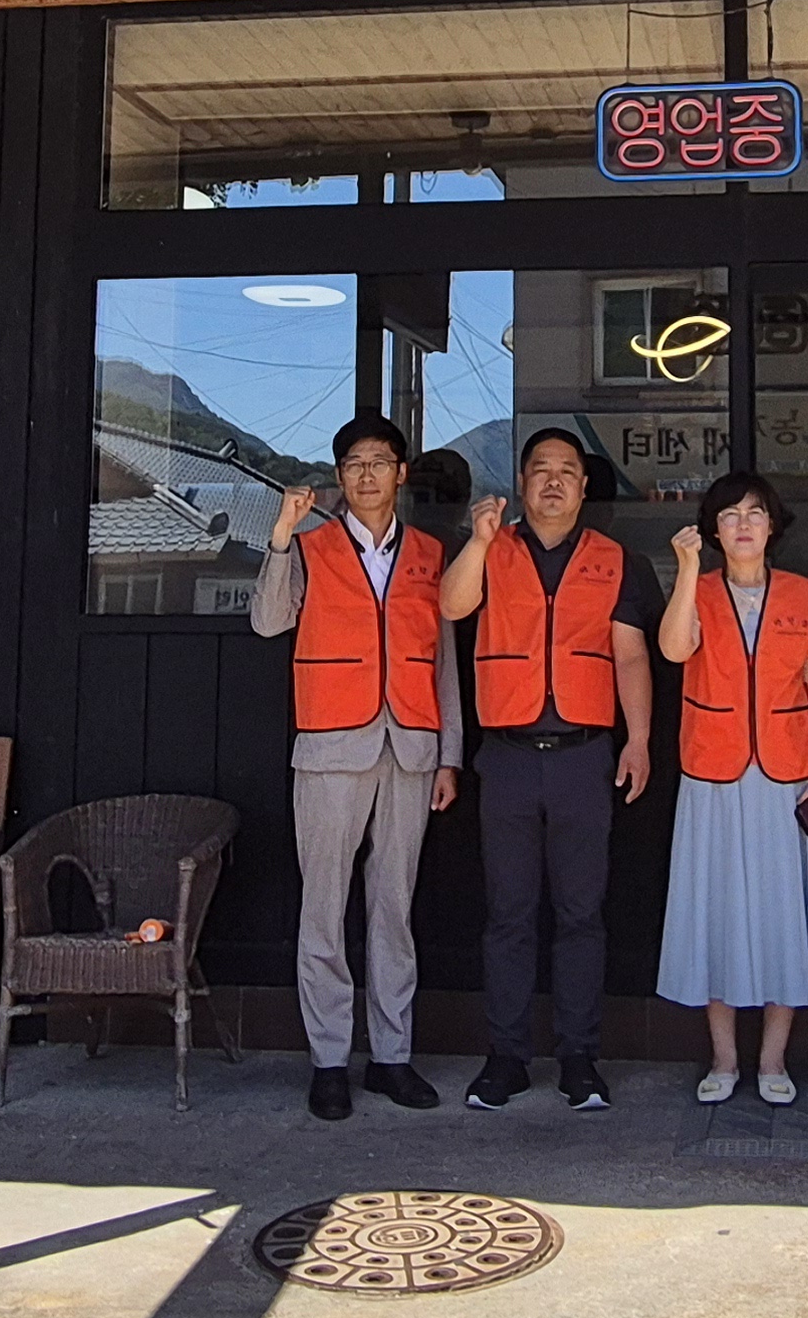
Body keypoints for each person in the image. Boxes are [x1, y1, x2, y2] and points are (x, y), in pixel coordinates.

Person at [440, 428, 658, 1111]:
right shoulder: (491, 547)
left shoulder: (615, 560)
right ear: (522, 482)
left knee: (581, 914)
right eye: (541, 470)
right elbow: (451, 605)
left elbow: (630, 655)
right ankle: (506, 1057)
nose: (554, 481)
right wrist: (479, 541)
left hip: (584, 757)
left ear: (585, 488)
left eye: (567, 470)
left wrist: (639, 739)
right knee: (507, 915)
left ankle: (579, 1058)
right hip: (506, 757)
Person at [250, 416, 459, 1122]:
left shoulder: (430, 554)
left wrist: (450, 755)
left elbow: (443, 663)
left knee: (394, 907)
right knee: (325, 907)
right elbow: (268, 621)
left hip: (411, 747)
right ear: (340, 477)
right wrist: (281, 535)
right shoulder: (311, 547)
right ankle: (329, 1059)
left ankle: (392, 1056)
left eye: (380, 461)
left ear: (402, 473)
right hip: (332, 747)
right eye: (355, 464)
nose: (367, 474)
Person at [656, 473, 808, 1103]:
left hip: (787, 775)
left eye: (755, 513)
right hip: (713, 775)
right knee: (714, 911)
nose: (743, 525)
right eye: (730, 516)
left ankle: (772, 1060)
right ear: (713, 531)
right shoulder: (697, 588)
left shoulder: (800, 594)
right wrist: (687, 570)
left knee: (783, 914)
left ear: (773, 526)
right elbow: (674, 648)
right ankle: (723, 1058)